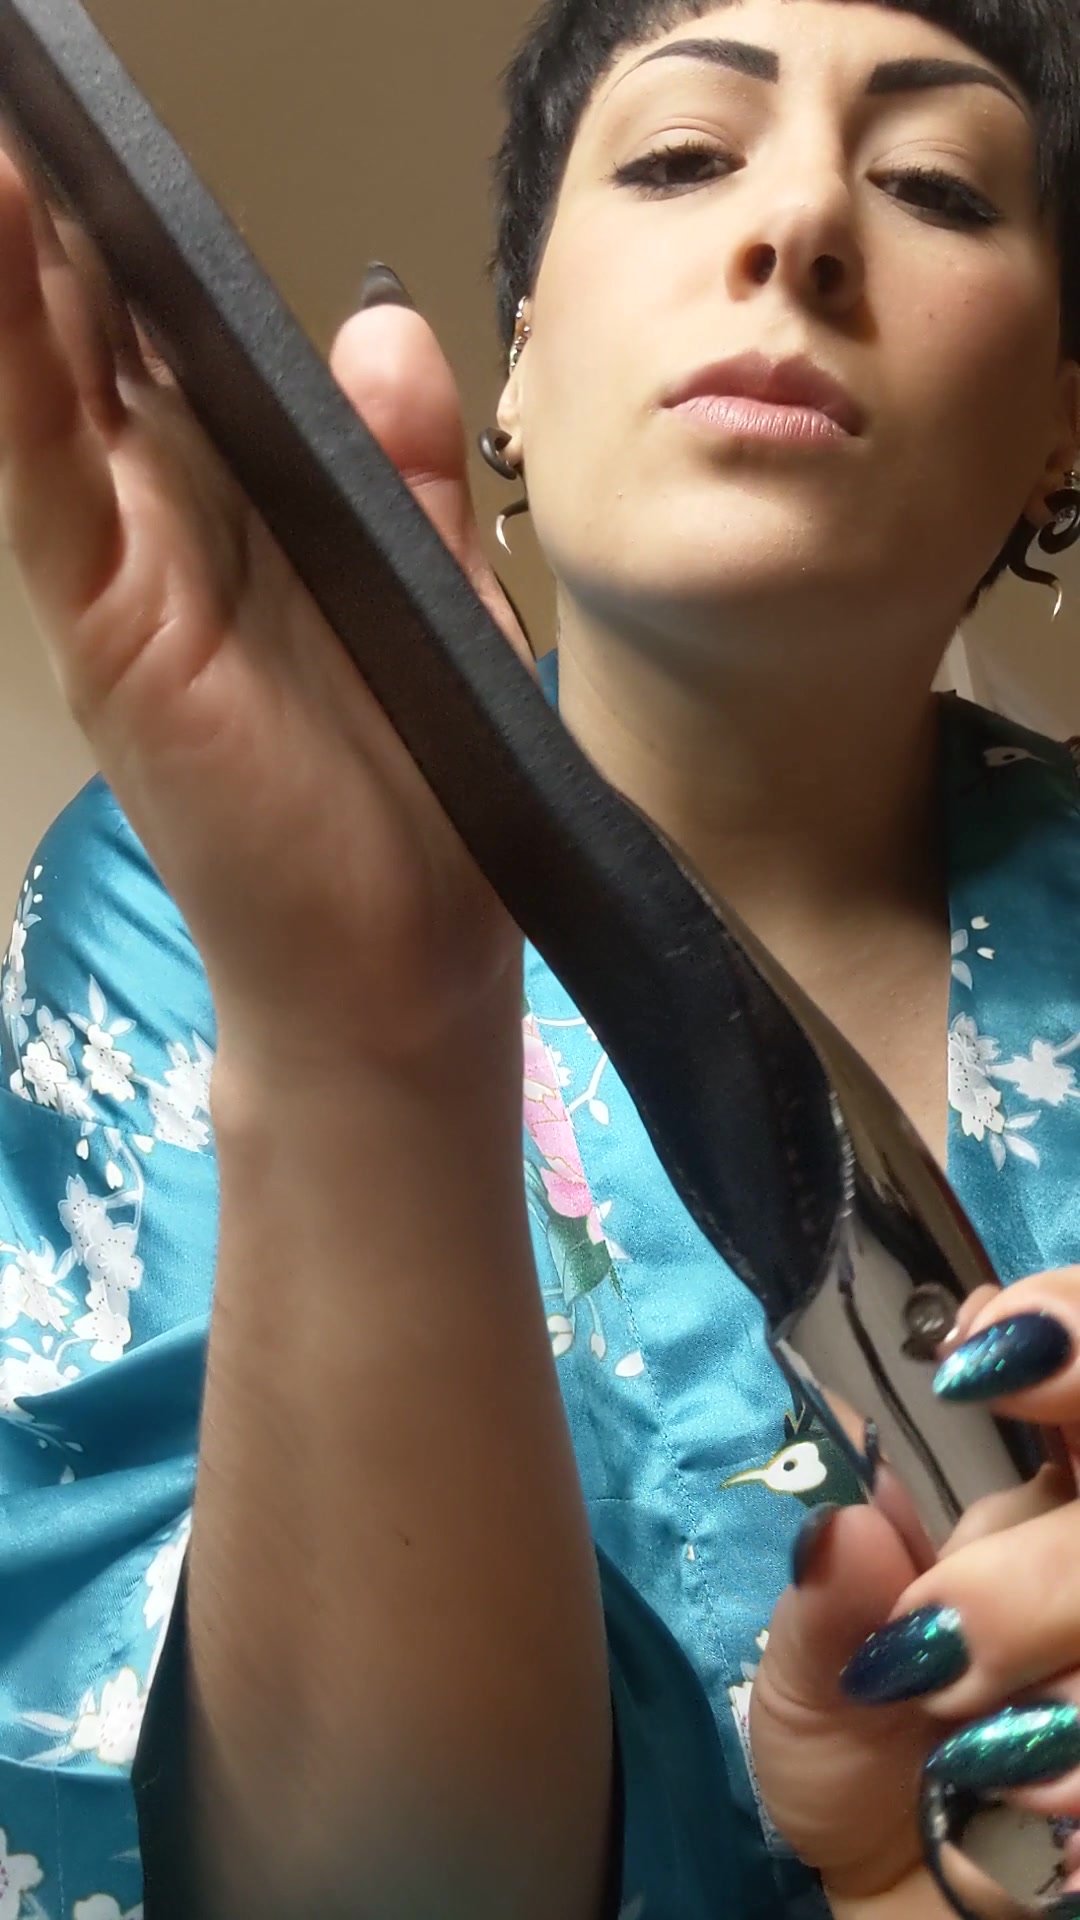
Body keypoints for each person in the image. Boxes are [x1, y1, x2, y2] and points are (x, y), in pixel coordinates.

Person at [2, 0, 1080, 1914]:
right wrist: (374, 1047)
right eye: (682, 158)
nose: (798, 225)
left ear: (1062, 427)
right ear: (516, 360)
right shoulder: (178, 898)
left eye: (935, 185)